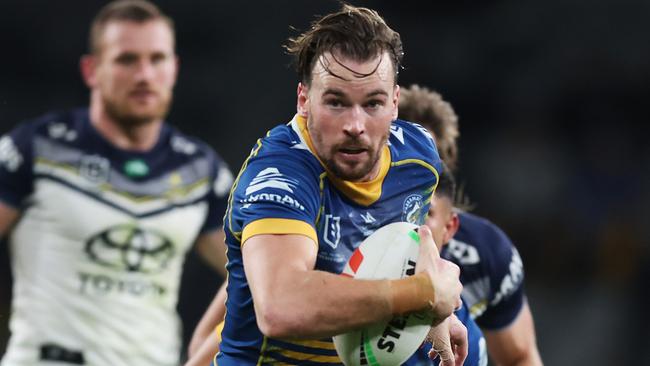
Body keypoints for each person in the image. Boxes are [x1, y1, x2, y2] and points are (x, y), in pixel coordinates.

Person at [215, 5, 467, 366]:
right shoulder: (279, 176)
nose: (355, 125)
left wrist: (439, 315)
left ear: (395, 103)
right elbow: (280, 307)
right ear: (304, 100)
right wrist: (424, 294)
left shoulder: (419, 159)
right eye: (336, 102)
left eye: (373, 104)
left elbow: (408, 243)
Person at [0, 1, 232, 365]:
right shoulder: (35, 149)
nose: (144, 74)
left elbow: (256, 279)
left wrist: (204, 355)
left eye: (157, 59)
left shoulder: (199, 170)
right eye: (127, 59)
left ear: (174, 68)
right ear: (91, 70)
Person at [399, 85, 543, 365]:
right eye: (404, 157)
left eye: (430, 158)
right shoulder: (345, 234)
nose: (419, 174)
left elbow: (518, 356)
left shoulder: (486, 255)